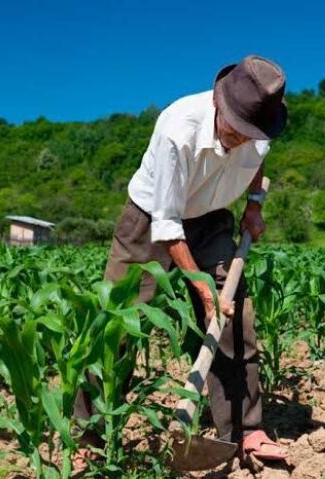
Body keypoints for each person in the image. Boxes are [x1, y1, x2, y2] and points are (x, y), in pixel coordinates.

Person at [73, 55, 288, 471]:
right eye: (235, 130)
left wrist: (255, 204)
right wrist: (201, 289)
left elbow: (259, 161)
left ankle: (244, 430)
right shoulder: (177, 129)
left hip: (212, 216)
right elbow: (167, 226)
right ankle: (88, 433)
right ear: (218, 103)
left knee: (234, 316)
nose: (241, 140)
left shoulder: (261, 127)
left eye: (250, 134)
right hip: (152, 216)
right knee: (117, 321)